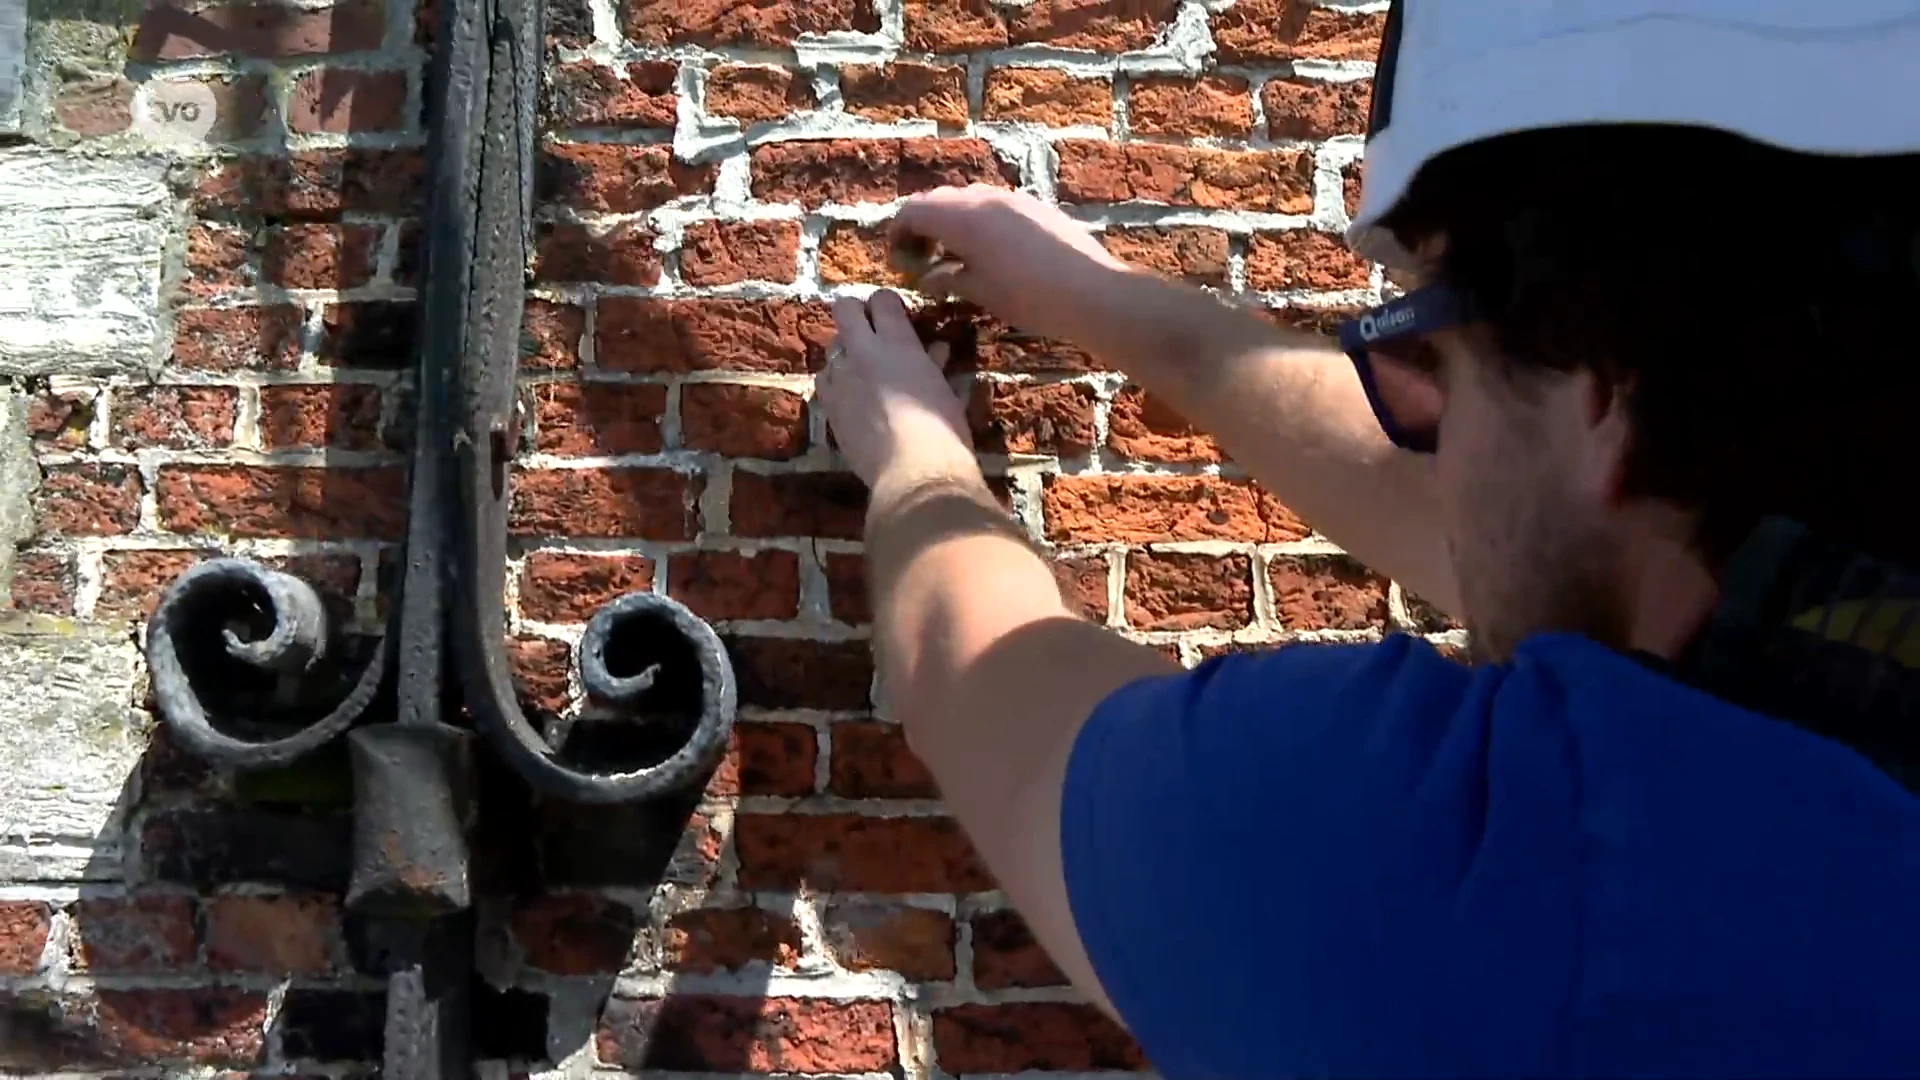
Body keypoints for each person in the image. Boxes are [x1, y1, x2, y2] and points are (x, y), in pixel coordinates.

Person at [811, 1, 1920, 1075]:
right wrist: (1110, 302)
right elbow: (1525, 512)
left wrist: (917, 456)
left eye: (1430, 358)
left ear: (1601, 389)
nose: (1433, 441)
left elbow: (981, 681)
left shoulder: (1526, 878)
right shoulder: (1839, 653)